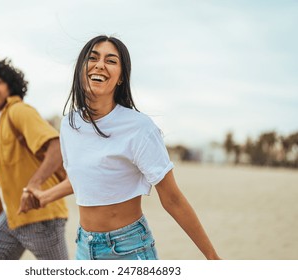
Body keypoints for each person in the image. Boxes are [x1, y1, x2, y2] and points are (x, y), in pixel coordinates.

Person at [19, 36, 221, 260]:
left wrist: (212, 257)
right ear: (81, 69)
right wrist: (44, 197)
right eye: (93, 58)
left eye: (111, 60)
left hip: (128, 248)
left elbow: (172, 199)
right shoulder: (69, 124)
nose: (100, 65)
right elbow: (85, 178)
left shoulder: (139, 128)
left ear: (121, 77)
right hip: (84, 247)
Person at [0, 55, 68, 260]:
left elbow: (56, 146)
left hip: (41, 214)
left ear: (10, 85)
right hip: (11, 215)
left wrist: (34, 185)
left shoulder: (20, 111)